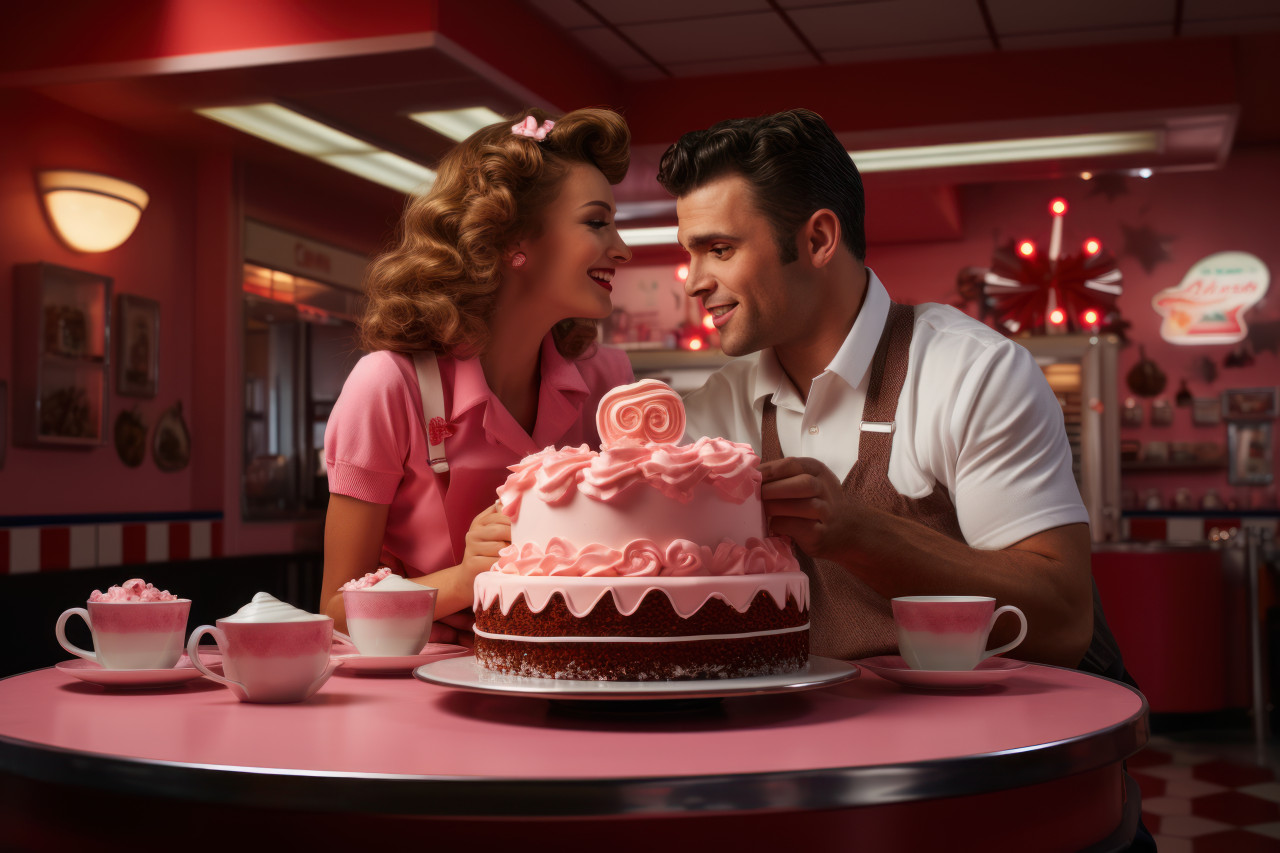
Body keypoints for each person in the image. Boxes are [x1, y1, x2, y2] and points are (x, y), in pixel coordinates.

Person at [657, 108, 1129, 679]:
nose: (693, 281)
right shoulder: (709, 412)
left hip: (983, 754)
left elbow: (1063, 621)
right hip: (807, 749)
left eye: (720, 249)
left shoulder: (974, 373)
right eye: (690, 252)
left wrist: (860, 533)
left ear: (818, 239)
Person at [321, 108, 634, 643]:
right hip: (421, 685)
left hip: (571, 670)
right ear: (513, 239)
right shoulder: (388, 386)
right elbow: (335, 612)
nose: (622, 249)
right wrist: (467, 580)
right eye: (597, 222)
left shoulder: (609, 379)